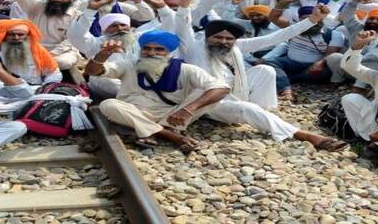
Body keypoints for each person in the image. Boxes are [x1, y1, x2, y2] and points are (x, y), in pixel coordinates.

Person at [91, 31, 346, 153]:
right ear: (141, 50)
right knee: (109, 106)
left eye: (159, 50)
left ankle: (302, 134)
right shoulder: (127, 64)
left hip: (175, 115)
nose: (152, 54)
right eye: (148, 49)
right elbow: (95, 71)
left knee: (216, 95)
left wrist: (189, 108)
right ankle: (171, 137)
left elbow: (221, 87)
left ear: (168, 53)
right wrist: (101, 55)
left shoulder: (185, 68)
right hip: (139, 112)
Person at [176, 0, 330, 109]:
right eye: (218, 37)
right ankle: (256, 113)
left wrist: (312, 21)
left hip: (233, 93)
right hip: (203, 98)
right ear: (207, 37)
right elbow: (183, 26)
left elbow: (276, 37)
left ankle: (264, 108)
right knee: (246, 110)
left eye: (228, 38)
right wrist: (184, 3)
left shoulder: (236, 46)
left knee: (266, 70)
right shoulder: (192, 46)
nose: (223, 41)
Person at [264, 5, 346, 99]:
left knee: (325, 74)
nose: (311, 21)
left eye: (314, 17)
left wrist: (319, 63)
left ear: (321, 18)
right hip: (289, 63)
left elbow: (330, 55)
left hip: (312, 68)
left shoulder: (334, 35)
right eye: (305, 18)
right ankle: (286, 89)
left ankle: (285, 78)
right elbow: (272, 18)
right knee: (269, 63)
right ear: (299, 19)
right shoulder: (294, 27)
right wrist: (283, 3)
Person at [0, 19, 61, 86]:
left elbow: (54, 73)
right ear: (3, 35)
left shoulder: (38, 51)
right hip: (0, 96)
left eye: (20, 35)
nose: (16, 38)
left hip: (33, 93)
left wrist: (44, 89)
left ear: (27, 36)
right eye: (11, 34)